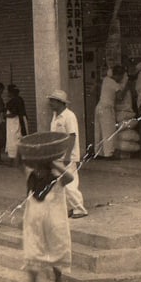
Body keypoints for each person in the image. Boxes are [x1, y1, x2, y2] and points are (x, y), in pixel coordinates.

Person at [21, 155, 73, 282]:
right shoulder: (31, 178)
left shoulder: (56, 179)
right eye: (36, 168)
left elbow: (70, 178)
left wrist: (55, 164)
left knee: (56, 251)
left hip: (53, 225)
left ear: (47, 169)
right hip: (34, 224)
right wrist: (20, 151)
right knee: (32, 253)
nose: (38, 172)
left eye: (41, 169)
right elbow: (19, 164)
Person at [47, 89, 87, 218]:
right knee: (60, 184)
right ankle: (70, 208)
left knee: (70, 184)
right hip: (58, 155)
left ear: (60, 102)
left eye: (53, 101)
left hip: (67, 155)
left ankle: (80, 209)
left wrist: (68, 155)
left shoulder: (69, 116)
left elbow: (72, 136)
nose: (50, 104)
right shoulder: (55, 116)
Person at [94, 66, 126, 158]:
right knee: (108, 131)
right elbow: (120, 97)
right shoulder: (113, 83)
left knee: (99, 131)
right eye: (121, 76)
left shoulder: (106, 80)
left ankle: (98, 153)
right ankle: (109, 154)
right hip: (106, 108)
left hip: (99, 106)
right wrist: (125, 86)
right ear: (118, 75)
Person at [3, 84, 29, 166]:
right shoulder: (19, 99)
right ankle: (16, 160)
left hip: (16, 122)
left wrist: (5, 115)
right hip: (15, 122)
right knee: (16, 139)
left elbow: (14, 113)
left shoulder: (15, 101)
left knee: (14, 140)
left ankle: (15, 162)